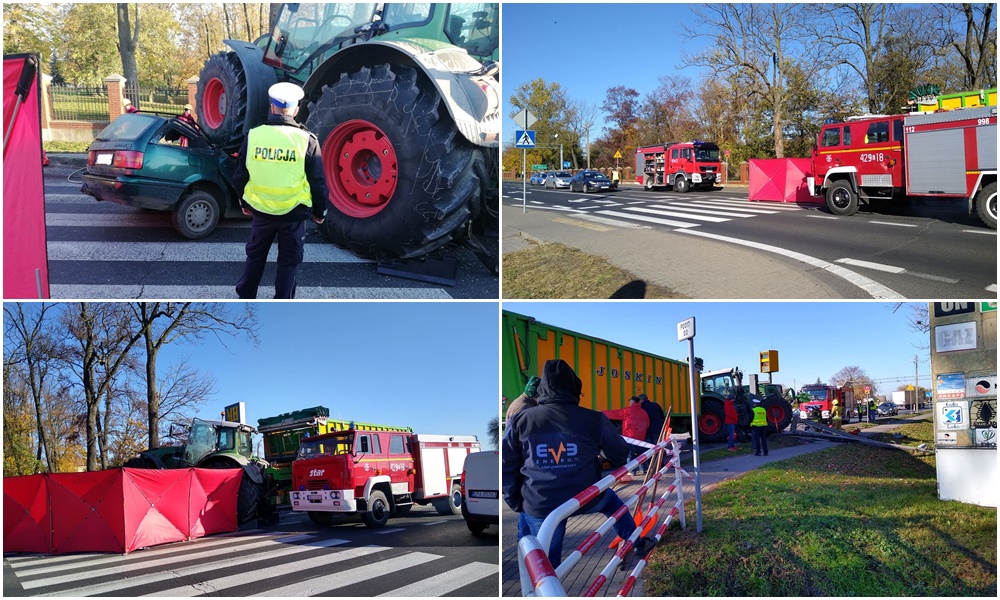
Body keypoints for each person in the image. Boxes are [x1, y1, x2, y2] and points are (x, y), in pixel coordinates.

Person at [502, 359, 654, 569]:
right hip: (586, 496)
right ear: (575, 388)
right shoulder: (593, 419)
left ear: (543, 389)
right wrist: (603, 462)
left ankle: (542, 584)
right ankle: (636, 541)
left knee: (546, 566)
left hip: (541, 502)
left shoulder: (521, 420)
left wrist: (517, 502)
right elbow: (620, 453)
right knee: (612, 503)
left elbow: (507, 465)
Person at [233, 82, 328, 299]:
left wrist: (244, 203)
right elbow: (318, 182)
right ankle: (283, 300)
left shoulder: (254, 136)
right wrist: (320, 212)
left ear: (272, 107)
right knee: (288, 263)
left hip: (261, 212)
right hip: (293, 215)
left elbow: (240, 175)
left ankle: (246, 295)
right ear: (295, 110)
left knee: (255, 258)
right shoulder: (307, 140)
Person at [602, 396, 650, 475]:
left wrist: (602, 412)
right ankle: (644, 469)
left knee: (630, 454)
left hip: (630, 437)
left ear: (632, 402)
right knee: (641, 454)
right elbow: (647, 424)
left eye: (630, 401)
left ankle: (631, 471)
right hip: (641, 437)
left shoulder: (628, 410)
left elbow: (615, 414)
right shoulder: (644, 412)